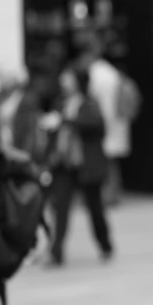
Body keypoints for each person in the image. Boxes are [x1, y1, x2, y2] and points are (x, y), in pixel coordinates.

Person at [42, 66, 114, 267]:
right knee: (60, 208)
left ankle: (105, 244)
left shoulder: (89, 103)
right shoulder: (61, 103)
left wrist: (64, 121)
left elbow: (96, 126)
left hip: (85, 165)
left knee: (94, 208)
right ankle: (56, 252)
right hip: (64, 164)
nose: (64, 81)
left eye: (68, 77)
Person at [83, 36, 131, 206]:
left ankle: (107, 195)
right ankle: (113, 193)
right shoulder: (111, 72)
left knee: (104, 160)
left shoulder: (95, 73)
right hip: (115, 120)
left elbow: (91, 98)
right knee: (112, 160)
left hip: (104, 121)